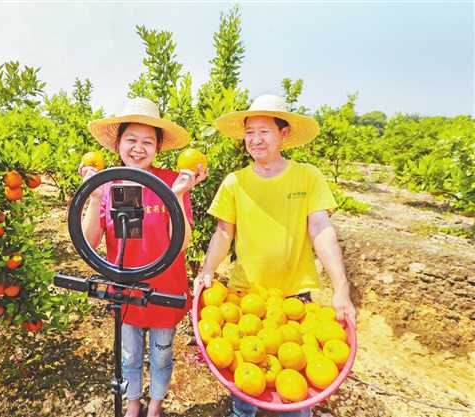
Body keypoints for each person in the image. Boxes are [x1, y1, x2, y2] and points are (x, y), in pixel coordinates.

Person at [193, 94, 357, 417]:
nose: (255, 139)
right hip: (245, 302)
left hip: (296, 303)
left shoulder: (308, 177)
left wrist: (341, 287)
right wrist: (207, 270)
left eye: (264, 131)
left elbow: (321, 229)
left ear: (284, 134)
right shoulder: (234, 183)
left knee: (295, 398)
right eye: (249, 132)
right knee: (246, 389)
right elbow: (223, 234)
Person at [81, 97, 207, 417]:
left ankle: (155, 407)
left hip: (165, 289)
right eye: (131, 140)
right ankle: (133, 405)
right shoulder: (107, 184)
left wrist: (177, 195)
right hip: (126, 291)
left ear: (158, 147)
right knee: (129, 357)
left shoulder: (170, 182)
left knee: (162, 354)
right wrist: (94, 197)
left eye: (147, 141)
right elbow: (90, 242)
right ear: (118, 143)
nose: (138, 148)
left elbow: (181, 245)